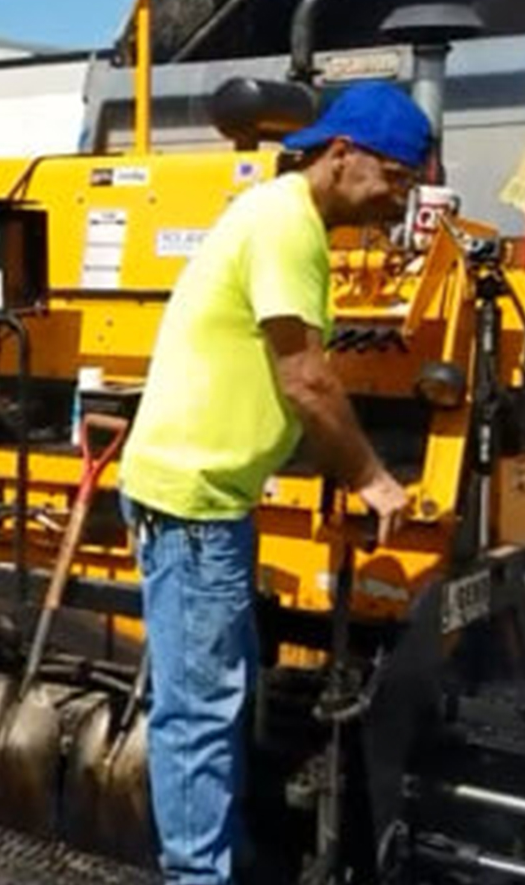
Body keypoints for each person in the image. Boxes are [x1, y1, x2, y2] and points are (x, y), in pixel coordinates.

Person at [118, 81, 432, 885]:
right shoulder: (287, 226)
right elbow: (307, 381)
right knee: (200, 716)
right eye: (395, 177)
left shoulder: (284, 218)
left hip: (211, 500)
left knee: (224, 699)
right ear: (342, 154)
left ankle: (228, 861)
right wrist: (371, 477)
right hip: (195, 506)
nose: (399, 198)